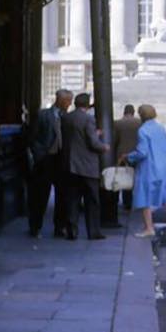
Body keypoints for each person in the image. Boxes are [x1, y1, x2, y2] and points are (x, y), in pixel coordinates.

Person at [120, 104, 166, 238]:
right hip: (162, 167)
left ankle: (149, 228)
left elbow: (142, 152)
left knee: (144, 198)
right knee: (160, 193)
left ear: (141, 115)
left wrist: (128, 156)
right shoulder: (160, 128)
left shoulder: (143, 130)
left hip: (148, 168)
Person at [61, 93, 110, 240]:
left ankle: (72, 230)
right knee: (92, 200)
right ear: (87, 105)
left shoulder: (66, 118)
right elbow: (92, 143)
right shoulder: (89, 119)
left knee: (72, 200)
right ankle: (93, 231)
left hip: (70, 165)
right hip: (87, 166)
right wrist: (104, 147)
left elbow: (76, 137)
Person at [28, 89, 73, 238]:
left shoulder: (68, 117)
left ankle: (59, 227)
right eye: (67, 100)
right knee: (40, 195)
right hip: (46, 159)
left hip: (61, 159)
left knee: (63, 195)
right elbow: (33, 136)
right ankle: (35, 227)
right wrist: (38, 154)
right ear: (59, 100)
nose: (70, 103)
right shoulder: (43, 115)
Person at [113, 104, 141, 211]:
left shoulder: (117, 123)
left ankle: (122, 202)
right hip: (136, 154)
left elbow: (114, 140)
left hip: (121, 154)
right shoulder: (139, 123)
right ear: (133, 112)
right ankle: (132, 201)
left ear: (124, 112)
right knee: (135, 178)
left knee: (121, 178)